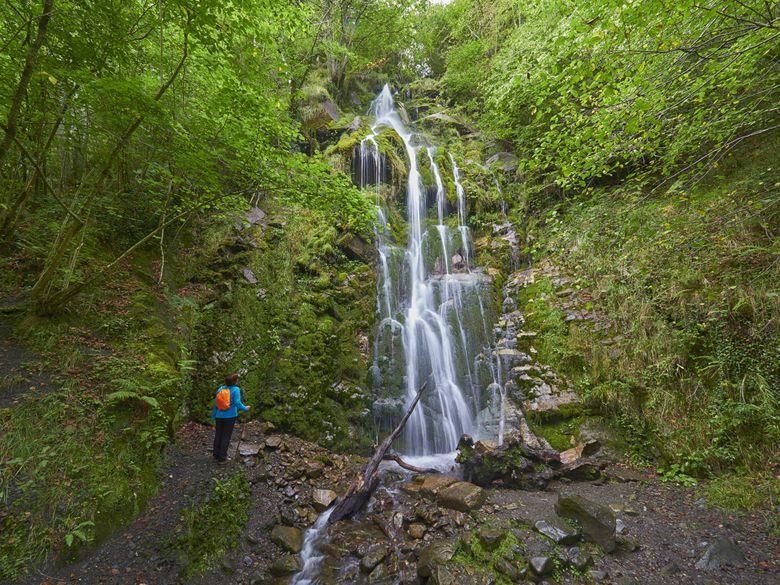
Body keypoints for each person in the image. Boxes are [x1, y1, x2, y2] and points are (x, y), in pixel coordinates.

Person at [211, 373, 250, 462]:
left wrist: (214, 415)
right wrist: (245, 408)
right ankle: (222, 457)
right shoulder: (236, 389)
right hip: (230, 416)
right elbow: (237, 402)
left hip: (219, 416)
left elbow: (216, 403)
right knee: (226, 436)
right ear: (235, 381)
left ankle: (216, 455)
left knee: (218, 435)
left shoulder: (220, 389)